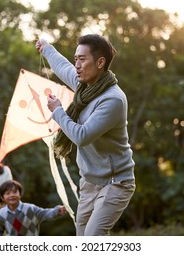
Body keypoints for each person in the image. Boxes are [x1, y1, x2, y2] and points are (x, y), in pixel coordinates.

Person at [35, 34, 136, 236]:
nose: (77, 65)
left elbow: (82, 136)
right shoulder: (84, 87)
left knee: (92, 239)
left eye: (82, 59)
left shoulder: (113, 99)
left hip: (116, 182)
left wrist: (58, 112)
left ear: (100, 62)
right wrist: (46, 48)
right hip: (89, 181)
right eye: (76, 59)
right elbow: (62, 67)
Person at [0, 180, 67, 236]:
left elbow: (45, 213)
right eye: (8, 193)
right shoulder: (1, 214)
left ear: (20, 194)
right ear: (2, 197)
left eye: (14, 192)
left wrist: (57, 210)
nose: (12, 195)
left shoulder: (30, 208)